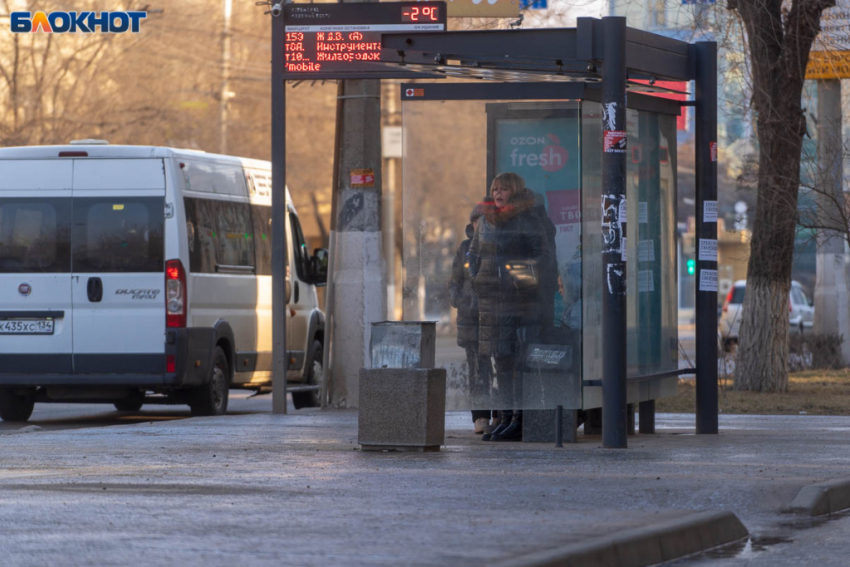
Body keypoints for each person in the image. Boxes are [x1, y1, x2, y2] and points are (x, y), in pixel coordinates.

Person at [469, 172, 553, 442]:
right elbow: (473, 253)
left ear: (514, 191)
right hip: (492, 302)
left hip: (520, 303)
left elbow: (543, 255)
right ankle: (504, 416)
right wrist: (475, 278)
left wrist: (521, 278)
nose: (497, 193)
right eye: (495, 189)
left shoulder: (528, 218)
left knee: (519, 362)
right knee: (500, 360)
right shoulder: (485, 221)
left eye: (503, 189)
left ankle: (520, 417)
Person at [449, 200, 494, 434]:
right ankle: (481, 417)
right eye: (479, 221)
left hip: (497, 316)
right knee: (478, 369)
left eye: (487, 220)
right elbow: (454, 280)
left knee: (504, 368)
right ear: (473, 223)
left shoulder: (500, 244)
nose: (482, 225)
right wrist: (459, 300)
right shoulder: (465, 247)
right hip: (471, 319)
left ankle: (506, 414)